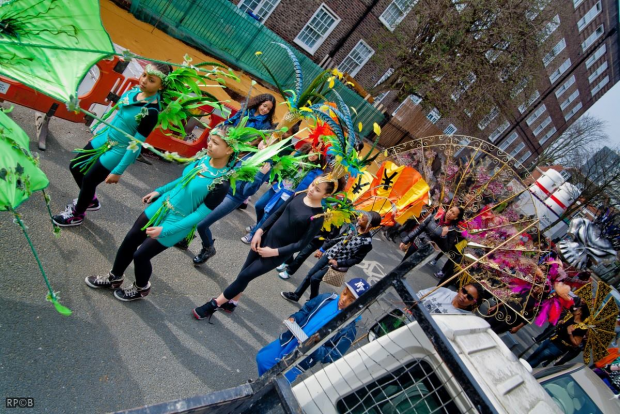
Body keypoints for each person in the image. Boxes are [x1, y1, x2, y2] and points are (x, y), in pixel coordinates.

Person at [84, 126, 236, 301]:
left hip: (178, 221)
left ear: (229, 149)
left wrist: (166, 230)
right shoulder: (202, 160)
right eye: (210, 139)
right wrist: (159, 191)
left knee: (141, 256)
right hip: (162, 205)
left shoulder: (222, 184)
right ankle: (114, 278)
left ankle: (141, 287)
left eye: (215, 143)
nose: (209, 144)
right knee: (130, 240)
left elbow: (199, 215)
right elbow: (182, 181)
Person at [192, 175, 337, 320]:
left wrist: (274, 252)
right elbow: (276, 214)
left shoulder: (318, 217)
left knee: (245, 276)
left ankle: (213, 304)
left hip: (276, 253)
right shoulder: (298, 195)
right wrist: (259, 232)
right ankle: (232, 303)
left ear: (327, 195)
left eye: (317, 190)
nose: (311, 189)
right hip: (263, 239)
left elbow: (301, 244)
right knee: (244, 274)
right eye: (312, 185)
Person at [53, 63, 170, 226]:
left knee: (89, 180)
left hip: (120, 149)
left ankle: (77, 214)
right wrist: (98, 135)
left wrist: (118, 171)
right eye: (143, 75)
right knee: (75, 166)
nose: (143, 81)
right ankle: (90, 200)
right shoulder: (134, 91)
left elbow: (136, 144)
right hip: (106, 137)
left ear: (161, 86)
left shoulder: (151, 112)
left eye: (151, 80)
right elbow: (117, 118)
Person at [256, 278, 370, 382]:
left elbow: (334, 354)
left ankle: (259, 392)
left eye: (351, 300)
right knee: (263, 359)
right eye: (345, 293)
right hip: (291, 340)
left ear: (359, 304)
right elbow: (306, 310)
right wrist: (295, 318)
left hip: (303, 357)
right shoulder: (327, 298)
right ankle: (259, 384)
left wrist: (313, 347)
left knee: (278, 380)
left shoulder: (349, 328)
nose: (344, 299)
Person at [281, 211, 382, 302]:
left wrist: (338, 263)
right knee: (310, 274)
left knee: (315, 278)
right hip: (329, 254)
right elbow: (338, 238)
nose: (359, 218)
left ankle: (313, 300)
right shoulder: (354, 226)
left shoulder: (367, 242)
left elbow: (357, 259)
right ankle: (296, 295)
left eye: (363, 219)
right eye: (361, 216)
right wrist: (322, 249)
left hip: (337, 263)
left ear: (370, 225)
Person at [241, 149, 327, 244]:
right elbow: (282, 166)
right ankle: (259, 225)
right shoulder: (298, 158)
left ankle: (253, 234)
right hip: (279, 186)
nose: (313, 155)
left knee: (268, 214)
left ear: (320, 158)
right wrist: (274, 179)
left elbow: (310, 186)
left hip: (288, 194)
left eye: (317, 155)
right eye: (312, 151)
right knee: (259, 205)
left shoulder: (317, 172)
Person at [399, 205, 464, 270]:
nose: (450, 213)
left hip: (426, 251)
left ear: (456, 218)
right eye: (450, 210)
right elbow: (419, 228)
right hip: (416, 244)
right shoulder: (436, 216)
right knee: (402, 264)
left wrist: (443, 236)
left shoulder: (451, 230)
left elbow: (446, 249)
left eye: (453, 213)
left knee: (409, 269)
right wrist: (405, 240)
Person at [526, 303, 590, 368]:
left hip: (558, 347)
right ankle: (522, 365)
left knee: (538, 358)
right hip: (552, 339)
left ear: (579, 313)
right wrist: (561, 323)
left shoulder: (582, 328)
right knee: (534, 354)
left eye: (578, 309)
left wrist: (570, 333)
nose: (576, 309)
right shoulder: (571, 317)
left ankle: (524, 370)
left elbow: (576, 343)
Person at [417, 283, 483, 314]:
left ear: (473, 302)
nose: (464, 296)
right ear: (461, 288)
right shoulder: (443, 291)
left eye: (470, 297)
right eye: (464, 291)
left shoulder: (464, 318)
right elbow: (420, 295)